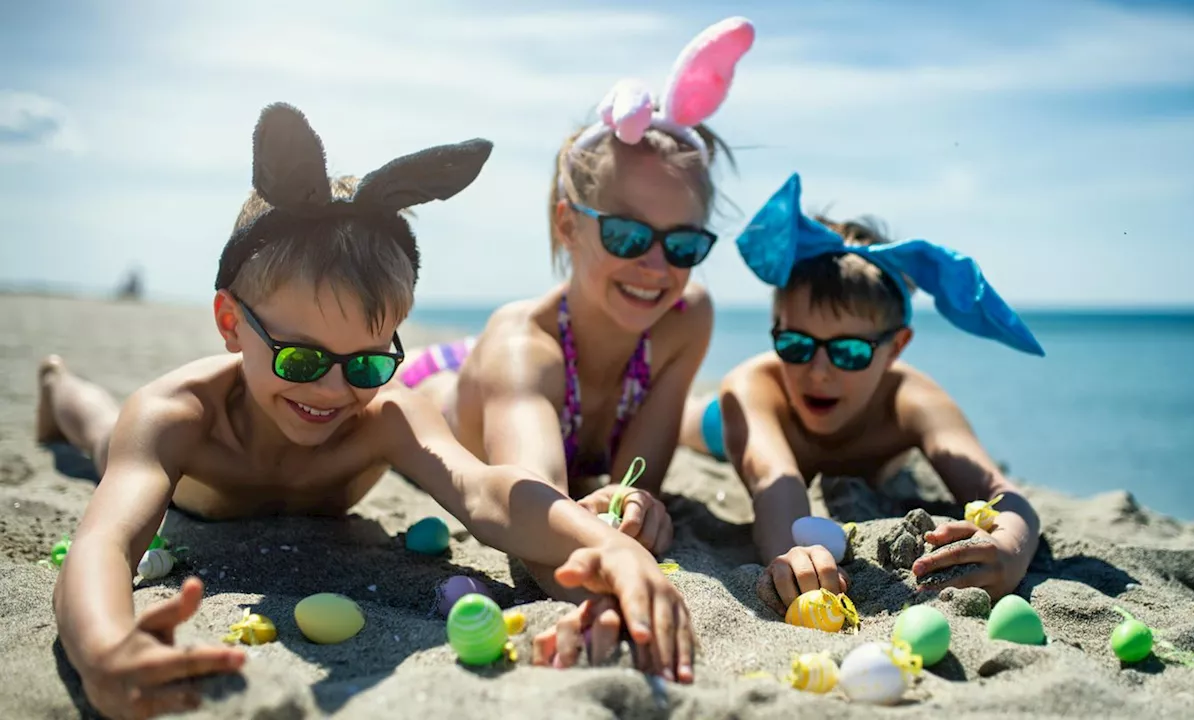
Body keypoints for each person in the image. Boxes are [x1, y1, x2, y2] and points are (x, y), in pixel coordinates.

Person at [37, 103, 695, 720]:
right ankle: (56, 383)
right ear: (230, 322)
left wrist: (606, 546)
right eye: (299, 360)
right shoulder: (178, 416)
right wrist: (103, 649)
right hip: (201, 490)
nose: (331, 391)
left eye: (365, 364)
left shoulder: (381, 415)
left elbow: (488, 494)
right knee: (99, 429)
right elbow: (103, 544)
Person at [401, 15, 752, 622]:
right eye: (625, 234)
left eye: (683, 245)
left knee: (678, 416)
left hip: (575, 385)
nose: (654, 265)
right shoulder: (525, 346)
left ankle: (713, 421)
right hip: (457, 382)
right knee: (461, 383)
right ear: (569, 224)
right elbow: (533, 505)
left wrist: (630, 500)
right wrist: (613, 562)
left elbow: (635, 477)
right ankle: (713, 422)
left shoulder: (684, 318)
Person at [679, 173, 1046, 615]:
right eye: (796, 344)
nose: (818, 372)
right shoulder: (756, 386)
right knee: (687, 421)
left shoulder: (910, 400)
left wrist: (1009, 546)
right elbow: (775, 482)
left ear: (896, 346)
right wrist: (790, 550)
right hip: (736, 427)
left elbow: (1000, 491)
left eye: (849, 352)